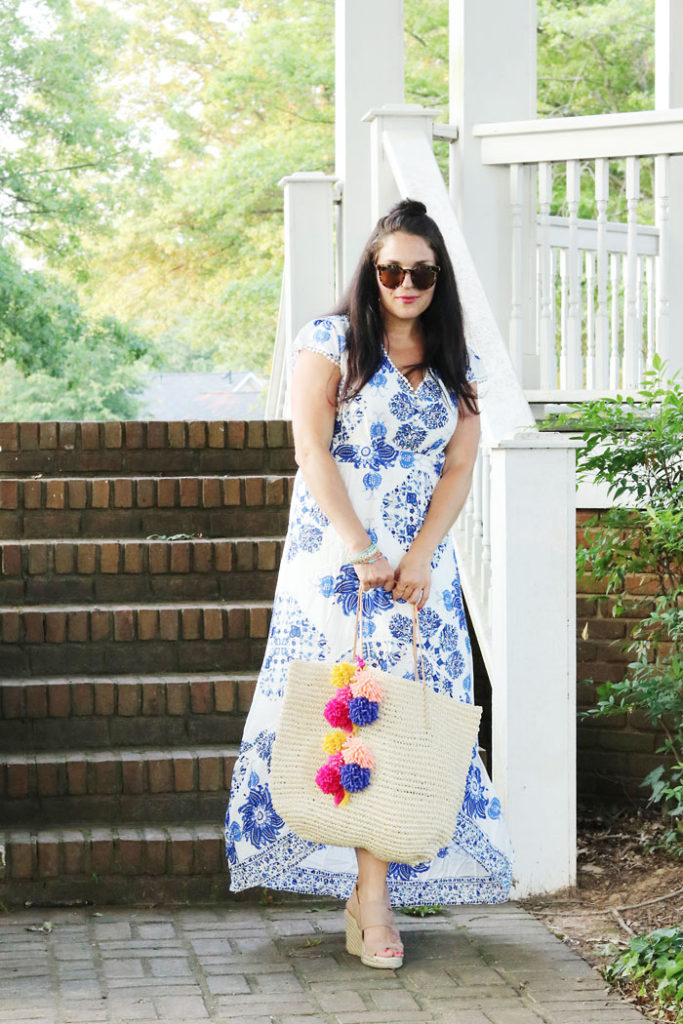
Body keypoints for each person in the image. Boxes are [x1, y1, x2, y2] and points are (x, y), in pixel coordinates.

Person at [225, 198, 513, 969]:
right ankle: (372, 898)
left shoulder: (460, 360)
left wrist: (418, 554)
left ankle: (371, 888)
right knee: (348, 706)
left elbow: (457, 466)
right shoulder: (328, 342)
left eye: (421, 272)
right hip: (337, 555)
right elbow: (311, 452)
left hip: (422, 566)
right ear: (371, 272)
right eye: (391, 269)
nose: (406, 283)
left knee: (409, 710)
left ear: (437, 277)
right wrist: (360, 548)